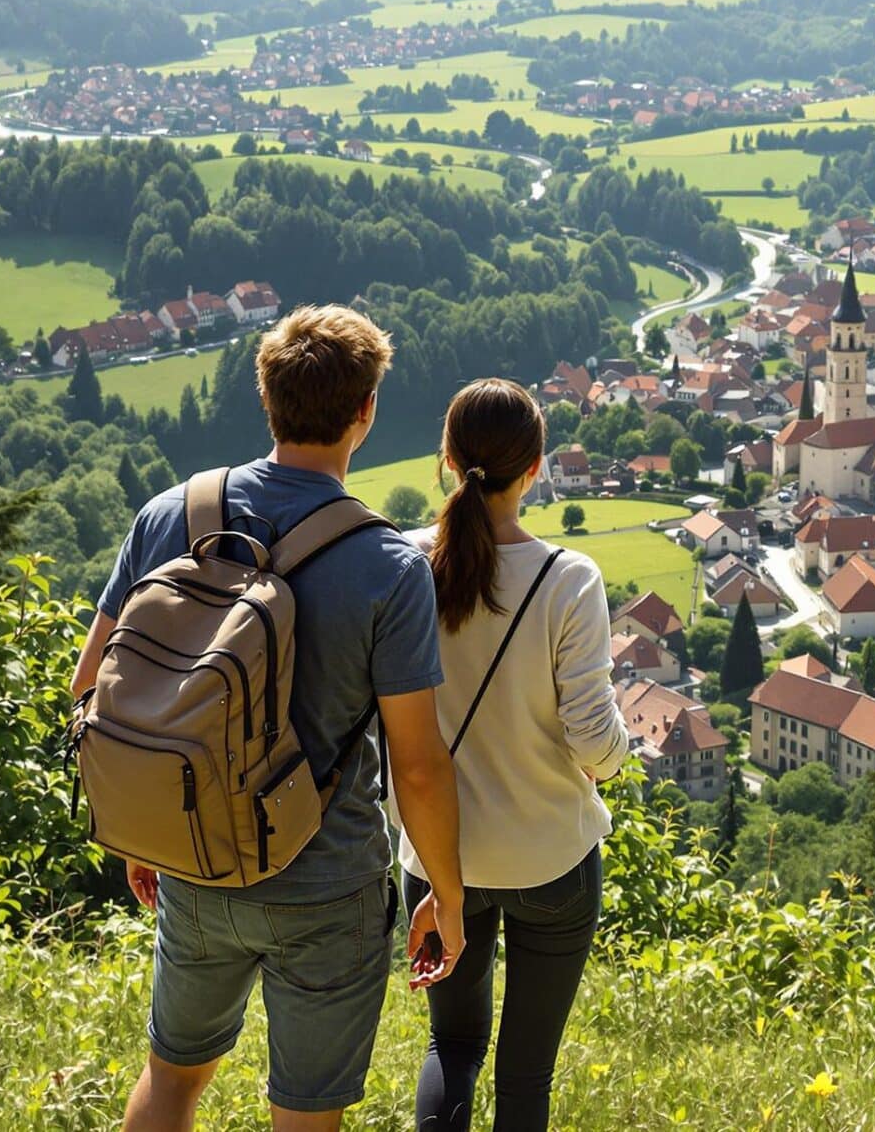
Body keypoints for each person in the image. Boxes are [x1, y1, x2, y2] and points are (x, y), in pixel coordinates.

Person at [72, 305, 468, 1132]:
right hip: (326, 883)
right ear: (365, 412)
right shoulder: (389, 566)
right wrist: (447, 897)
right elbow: (420, 766)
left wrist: (145, 825)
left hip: (194, 859)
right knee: (303, 1118)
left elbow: (94, 689)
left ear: (265, 397)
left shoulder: (170, 514)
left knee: (172, 1081)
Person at [401, 378, 628, 1132]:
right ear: (535, 469)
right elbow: (595, 738)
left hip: (438, 861)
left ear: (445, 459)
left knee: (453, 1043)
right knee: (526, 1071)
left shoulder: (404, 566)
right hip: (550, 856)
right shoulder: (569, 579)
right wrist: (620, 755)